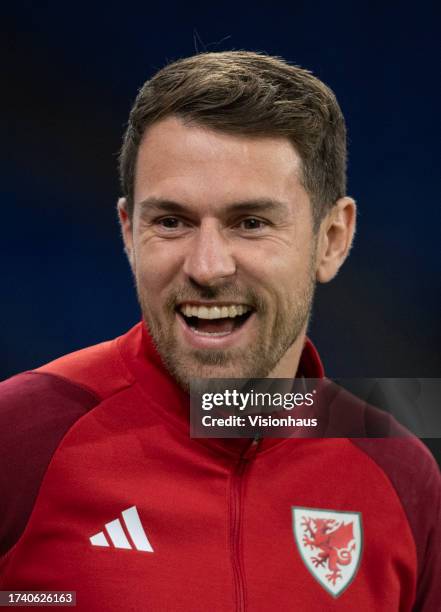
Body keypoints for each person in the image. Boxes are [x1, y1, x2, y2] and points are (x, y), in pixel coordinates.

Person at [0, 51, 439, 611]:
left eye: (251, 223)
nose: (207, 267)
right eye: (172, 222)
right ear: (129, 234)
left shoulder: (401, 477)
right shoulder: (19, 441)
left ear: (331, 239)